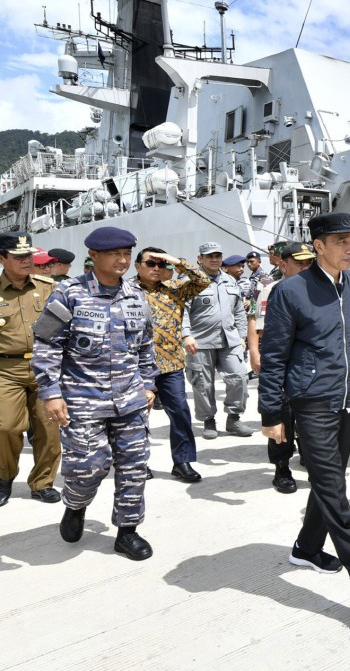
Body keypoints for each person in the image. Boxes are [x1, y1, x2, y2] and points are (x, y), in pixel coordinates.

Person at [259, 212, 350, 620]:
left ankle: (306, 548)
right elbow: (275, 356)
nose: (348, 247)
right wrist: (271, 411)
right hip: (312, 402)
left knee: (327, 480)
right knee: (334, 486)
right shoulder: (290, 291)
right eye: (339, 241)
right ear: (318, 245)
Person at [32, 225, 158, 560]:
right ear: (94, 255)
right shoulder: (69, 293)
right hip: (83, 400)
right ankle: (75, 505)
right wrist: (51, 392)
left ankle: (127, 531)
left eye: (127, 254)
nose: (122, 260)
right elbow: (46, 345)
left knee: (134, 465)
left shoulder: (136, 295)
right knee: (88, 467)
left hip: (130, 400)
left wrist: (148, 382)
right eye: (114, 254)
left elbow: (145, 345)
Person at [132, 246, 210, 482]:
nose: (157, 268)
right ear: (138, 266)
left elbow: (203, 280)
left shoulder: (175, 289)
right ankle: (136, 463)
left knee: (180, 413)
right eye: (150, 263)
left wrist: (176, 261)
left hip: (171, 365)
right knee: (136, 417)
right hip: (135, 366)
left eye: (161, 264)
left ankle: (182, 462)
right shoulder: (125, 290)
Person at [248, 241, 316, 493]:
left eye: (309, 262)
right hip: (284, 365)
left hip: (312, 367)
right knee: (282, 416)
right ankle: (282, 467)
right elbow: (260, 326)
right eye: (300, 263)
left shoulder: (322, 289)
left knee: (311, 418)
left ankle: (310, 458)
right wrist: (255, 352)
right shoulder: (272, 290)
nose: (306, 267)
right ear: (283, 264)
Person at [0, 232, 60, 506]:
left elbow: (64, 326)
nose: (27, 261)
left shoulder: (47, 287)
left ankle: (42, 483)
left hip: (44, 367)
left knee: (48, 427)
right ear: (2, 259)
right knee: (7, 427)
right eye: (19, 257)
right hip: (6, 369)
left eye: (29, 256)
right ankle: (4, 477)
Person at [182, 241, 253, 439]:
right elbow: (182, 312)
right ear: (200, 259)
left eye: (217, 256)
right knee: (203, 383)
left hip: (229, 340)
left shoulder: (230, 281)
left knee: (239, 377)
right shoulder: (191, 282)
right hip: (200, 342)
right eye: (209, 256)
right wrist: (186, 335)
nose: (214, 259)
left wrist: (241, 337)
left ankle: (234, 418)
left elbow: (239, 311)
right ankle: (208, 420)